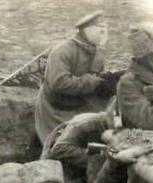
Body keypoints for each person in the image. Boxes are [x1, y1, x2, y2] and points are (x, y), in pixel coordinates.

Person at [34, 11, 113, 142]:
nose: (104, 36)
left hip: (79, 99)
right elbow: (59, 83)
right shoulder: (62, 51)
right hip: (55, 106)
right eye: (101, 31)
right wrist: (94, 82)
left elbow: (95, 77)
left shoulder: (97, 52)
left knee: (113, 106)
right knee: (60, 141)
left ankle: (117, 132)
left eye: (105, 31)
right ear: (89, 31)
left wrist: (106, 80)